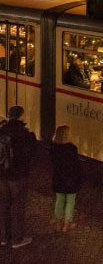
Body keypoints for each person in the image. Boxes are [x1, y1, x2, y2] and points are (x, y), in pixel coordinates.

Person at [0, 105, 37, 249]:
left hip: (2, 175)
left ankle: (3, 237)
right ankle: (17, 239)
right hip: (18, 176)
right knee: (18, 207)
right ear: (21, 116)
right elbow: (32, 153)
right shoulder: (24, 134)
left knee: (3, 206)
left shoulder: (2, 131)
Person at [51, 125, 83, 233]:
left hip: (58, 178)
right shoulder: (72, 148)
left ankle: (58, 223)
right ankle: (67, 224)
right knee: (70, 201)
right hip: (71, 179)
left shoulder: (54, 148)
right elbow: (75, 165)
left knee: (59, 200)